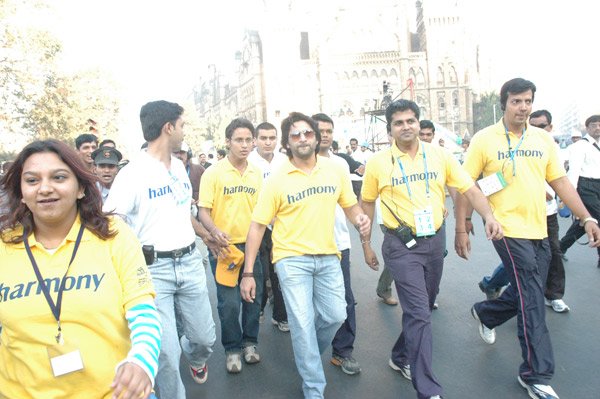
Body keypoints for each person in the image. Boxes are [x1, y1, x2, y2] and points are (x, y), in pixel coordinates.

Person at [455, 78, 600, 399]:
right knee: (533, 297)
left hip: (539, 227)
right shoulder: (484, 139)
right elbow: (465, 183)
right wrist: (463, 225)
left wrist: (586, 216)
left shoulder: (544, 140)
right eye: (516, 101)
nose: (522, 107)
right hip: (504, 228)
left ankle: (487, 312)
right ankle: (535, 373)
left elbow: (560, 182)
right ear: (504, 104)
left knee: (527, 287)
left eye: (527, 101)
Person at [359, 99, 501, 399]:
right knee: (420, 313)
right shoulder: (378, 163)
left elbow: (468, 188)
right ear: (390, 129)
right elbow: (367, 203)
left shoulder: (440, 156)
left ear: (418, 122)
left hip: (434, 241)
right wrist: (366, 244)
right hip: (400, 245)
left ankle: (399, 356)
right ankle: (427, 388)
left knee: (422, 307)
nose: (406, 126)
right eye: (399, 122)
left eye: (410, 120)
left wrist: (487, 216)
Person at [0, 139, 161, 399]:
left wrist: (141, 362)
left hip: (113, 393)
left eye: (59, 177)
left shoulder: (114, 235)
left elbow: (144, 312)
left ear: (80, 188)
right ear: (20, 191)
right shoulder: (4, 245)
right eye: (31, 180)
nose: (44, 188)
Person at [240, 112, 370, 399]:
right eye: (295, 135)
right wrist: (248, 272)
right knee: (301, 321)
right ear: (287, 142)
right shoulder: (276, 179)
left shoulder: (334, 170)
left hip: (328, 256)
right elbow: (258, 225)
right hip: (290, 260)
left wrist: (360, 218)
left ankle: (307, 351)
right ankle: (313, 387)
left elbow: (350, 205)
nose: (302, 139)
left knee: (336, 314)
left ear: (316, 136)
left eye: (307, 133)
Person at [104, 100, 216, 398]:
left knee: (204, 339)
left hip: (191, 263)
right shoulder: (132, 174)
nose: (183, 131)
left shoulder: (179, 167)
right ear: (168, 127)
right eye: (182, 125)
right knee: (165, 354)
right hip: (153, 271)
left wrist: (209, 236)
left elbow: (182, 212)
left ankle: (195, 358)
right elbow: (112, 222)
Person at [478, 110, 571, 312]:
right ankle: (494, 289)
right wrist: (466, 220)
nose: (537, 129)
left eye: (542, 126)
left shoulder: (549, 145)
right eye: (534, 125)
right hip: (509, 220)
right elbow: (480, 186)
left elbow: (563, 180)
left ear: (550, 127)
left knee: (550, 257)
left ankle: (552, 295)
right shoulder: (504, 146)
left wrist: (582, 214)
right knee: (523, 267)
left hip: (546, 214)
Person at [197, 118, 264, 374]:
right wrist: (213, 232)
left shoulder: (256, 173)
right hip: (223, 249)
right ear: (228, 142)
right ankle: (232, 348)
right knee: (229, 303)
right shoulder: (213, 173)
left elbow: (262, 212)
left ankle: (250, 343)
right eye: (239, 140)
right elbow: (203, 211)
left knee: (251, 298)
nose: (245, 145)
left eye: (249, 140)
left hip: (251, 246)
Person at [313, 112, 361, 375]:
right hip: (302, 248)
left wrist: (362, 227)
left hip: (338, 244)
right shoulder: (290, 165)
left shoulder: (341, 164)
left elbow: (349, 203)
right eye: (320, 130)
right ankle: (308, 357)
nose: (325, 135)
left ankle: (343, 352)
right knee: (308, 304)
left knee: (345, 300)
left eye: (329, 130)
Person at [247, 122, 289, 332]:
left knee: (280, 272)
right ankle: (259, 309)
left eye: (272, 138)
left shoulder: (284, 161)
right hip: (257, 225)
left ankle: (281, 316)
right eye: (263, 138)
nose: (268, 142)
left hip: (281, 225)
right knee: (259, 272)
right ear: (255, 140)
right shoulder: (248, 162)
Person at [559, 115, 600, 269]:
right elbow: (573, 172)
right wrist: (570, 197)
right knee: (597, 219)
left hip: (598, 184)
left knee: (585, 223)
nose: (597, 128)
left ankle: (561, 247)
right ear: (587, 127)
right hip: (586, 186)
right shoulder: (580, 146)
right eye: (594, 125)